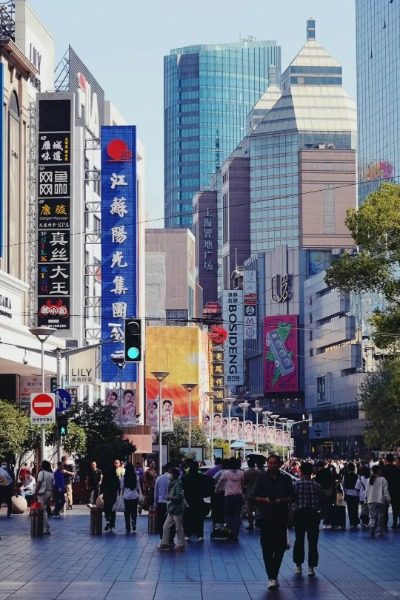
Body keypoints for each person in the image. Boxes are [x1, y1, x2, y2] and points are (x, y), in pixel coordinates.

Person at [252, 454, 294, 590]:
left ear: (279, 464)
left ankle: (274, 573)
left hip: (281, 517)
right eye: (270, 463)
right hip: (266, 517)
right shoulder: (261, 479)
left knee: (280, 547)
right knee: (267, 547)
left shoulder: (286, 479)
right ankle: (272, 577)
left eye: (274, 463)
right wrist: (264, 500)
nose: (272, 465)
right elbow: (254, 496)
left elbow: (292, 497)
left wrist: (280, 501)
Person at [293, 462, 324, 577]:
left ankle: (298, 566)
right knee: (313, 542)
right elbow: (322, 500)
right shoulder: (317, 485)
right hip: (313, 514)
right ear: (312, 472)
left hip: (300, 514)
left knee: (299, 540)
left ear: (300, 471)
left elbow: (292, 499)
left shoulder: (296, 485)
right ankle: (311, 567)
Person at [215, 457, 245, 541]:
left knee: (228, 515)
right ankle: (236, 534)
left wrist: (216, 490)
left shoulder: (225, 473)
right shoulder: (241, 473)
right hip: (238, 496)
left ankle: (230, 531)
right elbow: (243, 484)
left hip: (228, 496)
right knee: (236, 515)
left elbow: (219, 482)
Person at [159, 467, 186, 551]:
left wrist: (171, 498)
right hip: (171, 508)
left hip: (176, 508)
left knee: (178, 527)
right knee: (166, 526)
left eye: (170, 473)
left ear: (174, 475)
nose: (168, 475)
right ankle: (164, 543)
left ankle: (181, 544)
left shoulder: (177, 483)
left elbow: (180, 496)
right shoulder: (172, 483)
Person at [182, 461, 208, 542]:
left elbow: (182, 489)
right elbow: (206, 488)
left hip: (188, 500)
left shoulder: (184, 478)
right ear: (197, 468)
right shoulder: (202, 477)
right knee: (199, 517)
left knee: (187, 517)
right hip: (198, 499)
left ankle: (187, 534)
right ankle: (200, 535)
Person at [366, 464, 391, 537]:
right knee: (381, 516)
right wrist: (388, 500)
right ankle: (380, 531)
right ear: (379, 471)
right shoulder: (383, 479)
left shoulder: (369, 480)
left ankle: (373, 525)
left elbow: (367, 491)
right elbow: (386, 491)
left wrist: (367, 499)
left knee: (372, 516)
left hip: (371, 500)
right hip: (380, 500)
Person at [154, 463, 174, 541]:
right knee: (171, 522)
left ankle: (162, 537)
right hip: (171, 503)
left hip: (161, 503)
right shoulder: (174, 479)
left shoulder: (159, 478)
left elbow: (156, 493)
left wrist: (155, 503)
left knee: (161, 521)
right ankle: (171, 537)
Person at [36, 460, 55, 535]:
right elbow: (53, 484)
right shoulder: (51, 474)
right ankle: (45, 527)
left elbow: (39, 483)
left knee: (42, 510)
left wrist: (35, 492)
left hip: (42, 492)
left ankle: (46, 527)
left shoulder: (41, 473)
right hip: (49, 492)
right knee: (45, 509)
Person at [121, 462, 141, 533]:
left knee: (127, 512)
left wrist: (121, 495)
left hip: (126, 496)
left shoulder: (124, 477)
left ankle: (127, 526)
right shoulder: (136, 476)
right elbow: (138, 487)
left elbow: (122, 487)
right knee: (134, 511)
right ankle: (134, 521)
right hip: (134, 496)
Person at [382, 453, 400, 529]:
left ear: (386, 460)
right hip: (395, 491)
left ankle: (385, 524)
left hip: (386, 491)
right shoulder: (397, 469)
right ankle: (395, 523)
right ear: (393, 460)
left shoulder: (383, 469)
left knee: (385, 509)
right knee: (395, 508)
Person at [315, 460, 335, 529]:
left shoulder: (319, 473)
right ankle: (329, 522)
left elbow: (317, 483)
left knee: (323, 507)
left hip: (322, 492)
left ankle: (325, 522)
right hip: (329, 491)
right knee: (328, 507)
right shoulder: (329, 472)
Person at [243, 456, 261, 531]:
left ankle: (250, 524)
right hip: (258, 493)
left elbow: (244, 483)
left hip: (249, 492)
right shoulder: (259, 472)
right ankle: (258, 522)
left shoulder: (246, 472)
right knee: (258, 509)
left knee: (249, 509)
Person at [101, 463, 120, 531]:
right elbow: (118, 485)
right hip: (113, 494)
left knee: (106, 509)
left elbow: (102, 485)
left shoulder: (105, 476)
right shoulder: (115, 476)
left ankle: (107, 520)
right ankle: (112, 523)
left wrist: (102, 493)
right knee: (113, 509)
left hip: (106, 494)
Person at [343, 462, 360, 529]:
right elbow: (358, 486)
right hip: (355, 494)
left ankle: (351, 523)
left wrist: (345, 493)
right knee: (355, 509)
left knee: (350, 509)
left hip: (348, 494)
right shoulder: (357, 476)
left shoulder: (346, 476)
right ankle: (355, 522)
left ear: (348, 469)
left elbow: (344, 486)